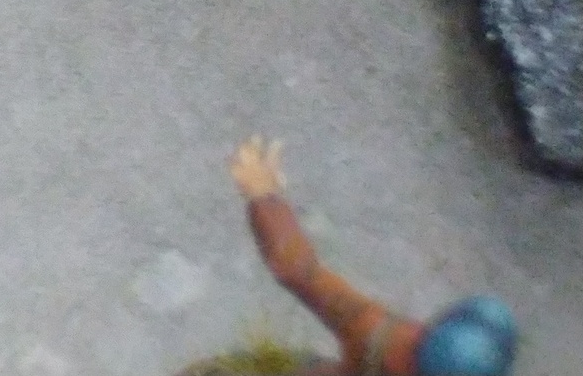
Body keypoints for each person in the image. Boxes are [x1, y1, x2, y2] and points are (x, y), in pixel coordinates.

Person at [217, 139, 517, 376]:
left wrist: (263, 195)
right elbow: (300, 271)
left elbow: (299, 269)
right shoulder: (384, 340)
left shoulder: (385, 344)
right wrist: (265, 199)